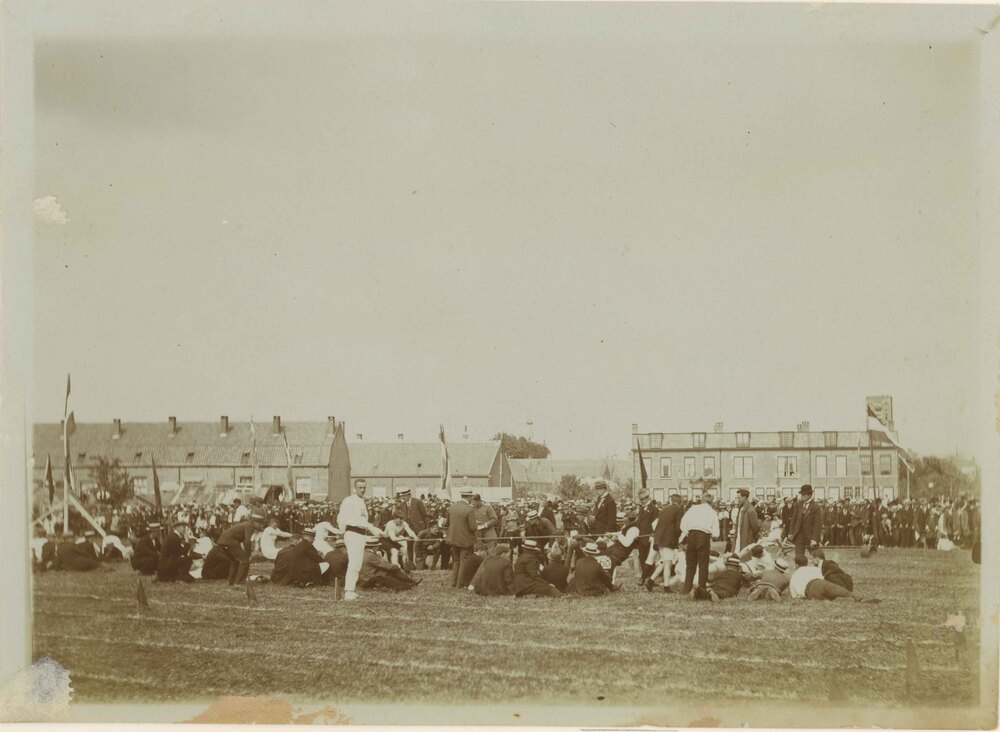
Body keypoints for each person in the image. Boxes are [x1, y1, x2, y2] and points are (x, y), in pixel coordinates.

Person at [337, 479, 386, 601]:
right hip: (352, 533)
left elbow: (363, 522)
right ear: (354, 488)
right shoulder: (349, 500)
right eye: (360, 487)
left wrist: (373, 532)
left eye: (364, 487)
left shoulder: (362, 502)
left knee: (358, 563)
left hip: (360, 534)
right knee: (354, 563)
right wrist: (344, 532)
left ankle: (351, 590)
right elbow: (341, 518)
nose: (362, 490)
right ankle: (348, 592)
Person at [679, 492, 720, 599]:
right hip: (703, 536)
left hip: (691, 535)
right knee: (703, 564)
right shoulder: (712, 512)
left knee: (690, 563)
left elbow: (683, 523)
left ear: (702, 500)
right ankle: (701, 589)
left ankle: (686, 589)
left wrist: (688, 532)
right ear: (712, 502)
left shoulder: (693, 509)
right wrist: (710, 533)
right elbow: (716, 533)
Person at [789, 556, 877, 602]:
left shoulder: (794, 575)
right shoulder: (813, 568)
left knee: (827, 597)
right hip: (821, 583)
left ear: (796, 565)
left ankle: (848, 598)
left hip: (809, 590)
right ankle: (855, 597)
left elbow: (795, 596)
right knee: (835, 591)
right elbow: (822, 577)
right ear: (806, 562)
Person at [217, 511, 264, 586]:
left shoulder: (246, 524)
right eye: (260, 523)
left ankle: (230, 581)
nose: (261, 526)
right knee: (245, 561)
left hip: (222, 541)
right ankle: (239, 582)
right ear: (255, 522)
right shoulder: (250, 525)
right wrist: (248, 555)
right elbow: (247, 542)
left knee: (235, 561)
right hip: (230, 541)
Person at [447, 488, 479, 588]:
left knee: (456, 561)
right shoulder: (469, 510)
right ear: (468, 497)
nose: (472, 499)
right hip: (465, 540)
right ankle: (460, 584)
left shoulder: (451, 507)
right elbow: (473, 527)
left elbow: (448, 523)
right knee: (464, 562)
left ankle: (453, 583)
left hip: (453, 539)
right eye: (471, 497)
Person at [651, 493, 684, 590]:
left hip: (659, 538)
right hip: (669, 539)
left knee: (665, 561)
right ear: (680, 502)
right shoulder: (679, 509)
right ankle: (666, 586)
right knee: (668, 563)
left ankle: (651, 580)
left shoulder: (664, 509)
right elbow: (678, 527)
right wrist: (679, 538)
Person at [786, 484, 823, 564]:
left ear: (809, 495)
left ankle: (820, 569)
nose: (801, 496)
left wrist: (814, 539)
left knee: (817, 557)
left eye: (803, 494)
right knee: (798, 557)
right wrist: (791, 532)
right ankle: (800, 570)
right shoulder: (798, 504)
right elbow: (794, 519)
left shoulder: (816, 506)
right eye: (801, 494)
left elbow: (818, 525)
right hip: (799, 534)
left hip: (811, 535)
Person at [395, 488, 428, 564]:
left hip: (418, 528)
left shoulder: (418, 502)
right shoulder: (402, 505)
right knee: (409, 545)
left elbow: (424, 515)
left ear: (409, 495)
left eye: (405, 496)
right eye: (403, 496)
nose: (404, 497)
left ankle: (421, 563)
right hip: (408, 529)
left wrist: (425, 527)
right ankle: (410, 563)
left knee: (419, 545)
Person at [732, 489, 761, 553]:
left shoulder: (751, 510)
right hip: (739, 537)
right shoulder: (741, 508)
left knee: (745, 555)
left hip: (747, 540)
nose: (737, 500)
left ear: (744, 497)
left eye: (739, 498)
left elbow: (755, 527)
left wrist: (751, 537)